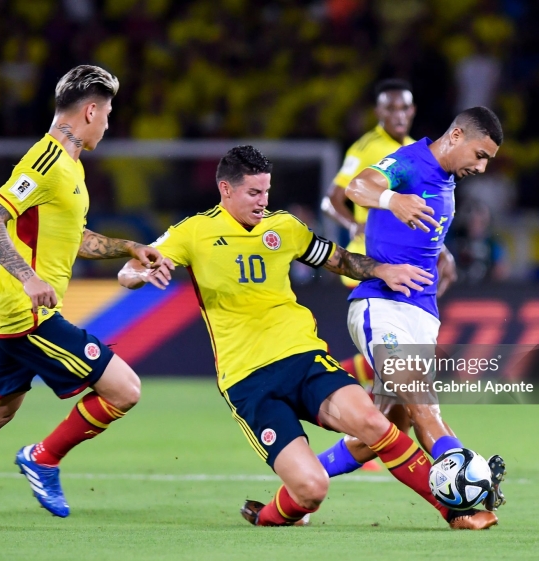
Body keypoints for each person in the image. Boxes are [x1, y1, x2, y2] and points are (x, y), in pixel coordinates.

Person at [119, 145, 495, 530]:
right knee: (312, 490)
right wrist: (143, 272)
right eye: (253, 193)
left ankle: (454, 511)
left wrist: (382, 269)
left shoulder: (284, 227)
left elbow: (339, 259)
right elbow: (130, 269)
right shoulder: (192, 232)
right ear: (225, 190)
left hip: (303, 358)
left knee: (376, 424)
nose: (263, 201)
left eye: (266, 191)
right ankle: (268, 517)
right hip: (248, 380)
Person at [0, 65, 171, 530]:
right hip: (28, 314)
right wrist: (27, 276)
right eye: (108, 114)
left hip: (11, 312)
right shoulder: (44, 161)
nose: (109, 124)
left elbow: (74, 238)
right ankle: (43, 457)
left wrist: (128, 247)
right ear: (91, 110)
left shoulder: (70, 168)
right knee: (124, 389)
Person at [315, 107, 507, 519]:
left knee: (388, 426)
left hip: (421, 311)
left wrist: (444, 254)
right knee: (424, 403)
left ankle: (305, 477)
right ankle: (466, 497)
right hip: (381, 304)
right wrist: (391, 199)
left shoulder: (449, 180)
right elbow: (358, 187)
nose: (482, 166)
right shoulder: (410, 162)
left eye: (487, 159)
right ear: (456, 135)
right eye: (480, 154)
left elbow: (425, 233)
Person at [319, 79, 457, 452]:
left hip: (409, 267)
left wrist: (441, 249)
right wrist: (354, 224)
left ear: (412, 111)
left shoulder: (416, 151)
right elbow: (333, 199)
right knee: (398, 375)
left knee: (396, 405)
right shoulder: (366, 148)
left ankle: (348, 430)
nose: (397, 115)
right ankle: (331, 391)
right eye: (390, 109)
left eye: (404, 108)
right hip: (368, 264)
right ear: (379, 113)